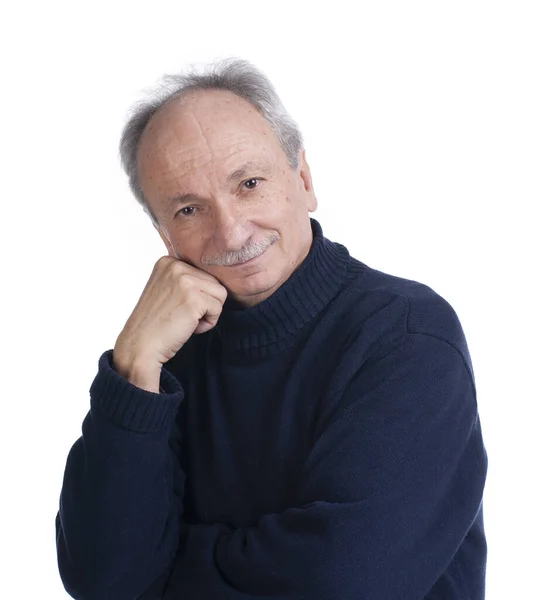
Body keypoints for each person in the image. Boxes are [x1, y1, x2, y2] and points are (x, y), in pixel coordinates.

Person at [55, 58, 488, 599]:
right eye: (190, 209)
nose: (232, 232)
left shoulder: (406, 336)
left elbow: (340, 584)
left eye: (250, 183)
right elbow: (102, 580)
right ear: (165, 236)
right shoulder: (165, 358)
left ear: (303, 181)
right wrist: (134, 368)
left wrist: (164, 572)